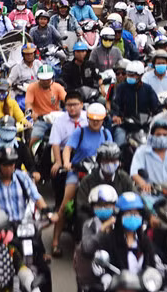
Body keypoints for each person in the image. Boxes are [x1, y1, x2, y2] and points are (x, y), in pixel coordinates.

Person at [0, 147, 56, 292]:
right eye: (6, 164)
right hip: (1, 231)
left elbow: (36, 197)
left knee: (44, 269)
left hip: (23, 227)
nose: (10, 167)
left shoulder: (22, 177)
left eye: (12, 163)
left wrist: (48, 212)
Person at [53, 103, 113, 256]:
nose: (95, 123)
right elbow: (68, 149)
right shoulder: (79, 132)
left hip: (100, 174)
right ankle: (55, 242)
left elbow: (113, 151)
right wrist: (66, 162)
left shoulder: (106, 134)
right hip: (78, 173)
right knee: (65, 204)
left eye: (98, 120)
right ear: (88, 118)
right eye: (92, 119)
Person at [92, 192, 162, 276]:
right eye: (128, 213)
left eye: (136, 213)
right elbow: (99, 267)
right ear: (119, 216)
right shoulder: (109, 240)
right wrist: (105, 277)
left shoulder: (145, 241)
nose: (132, 216)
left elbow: (154, 266)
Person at [74, 142, 136, 230]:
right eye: (106, 160)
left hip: (117, 216)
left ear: (119, 162)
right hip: (93, 216)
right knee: (82, 217)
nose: (110, 164)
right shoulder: (88, 180)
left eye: (113, 160)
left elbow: (134, 197)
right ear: (99, 161)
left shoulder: (124, 178)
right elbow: (82, 203)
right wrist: (100, 211)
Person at [74, 184, 118, 290]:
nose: (103, 208)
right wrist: (102, 230)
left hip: (117, 267)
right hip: (93, 271)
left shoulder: (120, 223)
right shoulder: (89, 224)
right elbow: (87, 248)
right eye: (99, 205)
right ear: (93, 207)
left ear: (113, 206)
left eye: (107, 205)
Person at [129, 119, 167, 193]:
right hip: (153, 193)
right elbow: (134, 173)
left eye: (165, 135)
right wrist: (144, 184)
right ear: (152, 136)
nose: (162, 138)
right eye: (158, 135)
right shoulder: (142, 151)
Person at [111, 61, 160, 146]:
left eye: (132, 75)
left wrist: (159, 113)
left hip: (145, 125)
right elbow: (115, 105)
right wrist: (116, 116)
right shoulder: (121, 88)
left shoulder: (147, 89)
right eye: (128, 75)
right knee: (120, 142)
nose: (129, 77)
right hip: (125, 125)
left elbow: (156, 106)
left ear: (140, 76)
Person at [25, 65, 66, 148]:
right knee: (33, 139)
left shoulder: (57, 87)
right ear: (39, 78)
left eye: (48, 79)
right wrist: (31, 112)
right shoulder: (32, 87)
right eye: (43, 79)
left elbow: (67, 100)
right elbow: (28, 104)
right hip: (41, 120)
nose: (46, 81)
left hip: (56, 119)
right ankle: (30, 158)